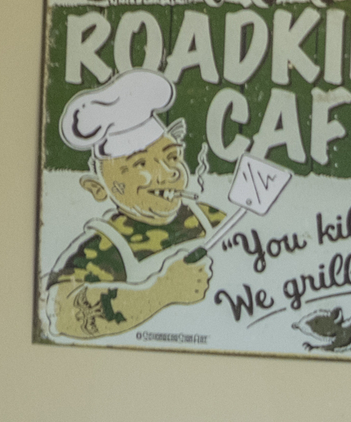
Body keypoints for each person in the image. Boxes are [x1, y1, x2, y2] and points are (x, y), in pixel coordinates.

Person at [47, 69, 226, 340]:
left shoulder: (208, 217)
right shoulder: (100, 249)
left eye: (172, 156)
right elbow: (61, 314)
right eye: (141, 164)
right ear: (98, 188)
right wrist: (161, 292)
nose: (170, 172)